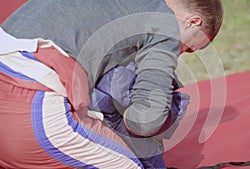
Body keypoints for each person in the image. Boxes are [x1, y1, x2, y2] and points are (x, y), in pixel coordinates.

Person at [0, 0, 223, 168]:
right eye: (189, 48)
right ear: (194, 22)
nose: (180, 54)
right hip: (30, 109)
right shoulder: (164, 21)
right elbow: (146, 121)